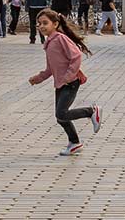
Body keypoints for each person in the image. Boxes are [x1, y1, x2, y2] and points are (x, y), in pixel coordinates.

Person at [28, 9, 101, 156]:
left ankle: (91, 111)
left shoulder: (60, 38)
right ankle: (74, 143)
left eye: (45, 23)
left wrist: (68, 77)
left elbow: (76, 57)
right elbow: (50, 68)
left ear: (55, 24)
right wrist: (38, 78)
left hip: (71, 82)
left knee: (62, 113)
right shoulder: (49, 43)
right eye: (39, 24)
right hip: (61, 83)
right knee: (60, 117)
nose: (41, 26)